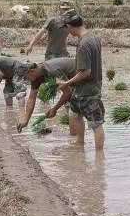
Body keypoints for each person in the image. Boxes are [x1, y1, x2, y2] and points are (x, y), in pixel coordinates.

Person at [41, 15, 105, 150]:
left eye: (67, 29)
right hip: (88, 88)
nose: (68, 32)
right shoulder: (94, 38)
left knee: (96, 124)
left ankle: (100, 156)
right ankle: (80, 144)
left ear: (70, 26)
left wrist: (67, 83)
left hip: (88, 90)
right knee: (76, 115)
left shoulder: (83, 44)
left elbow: (85, 72)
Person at [16, 56, 76, 130]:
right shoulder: (35, 77)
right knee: (71, 110)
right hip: (71, 83)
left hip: (82, 76)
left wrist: (54, 109)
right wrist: (26, 120)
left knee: (74, 108)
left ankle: (78, 139)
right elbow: (31, 98)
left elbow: (68, 92)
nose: (26, 80)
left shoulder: (52, 70)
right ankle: (74, 136)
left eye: (25, 78)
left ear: (31, 71)